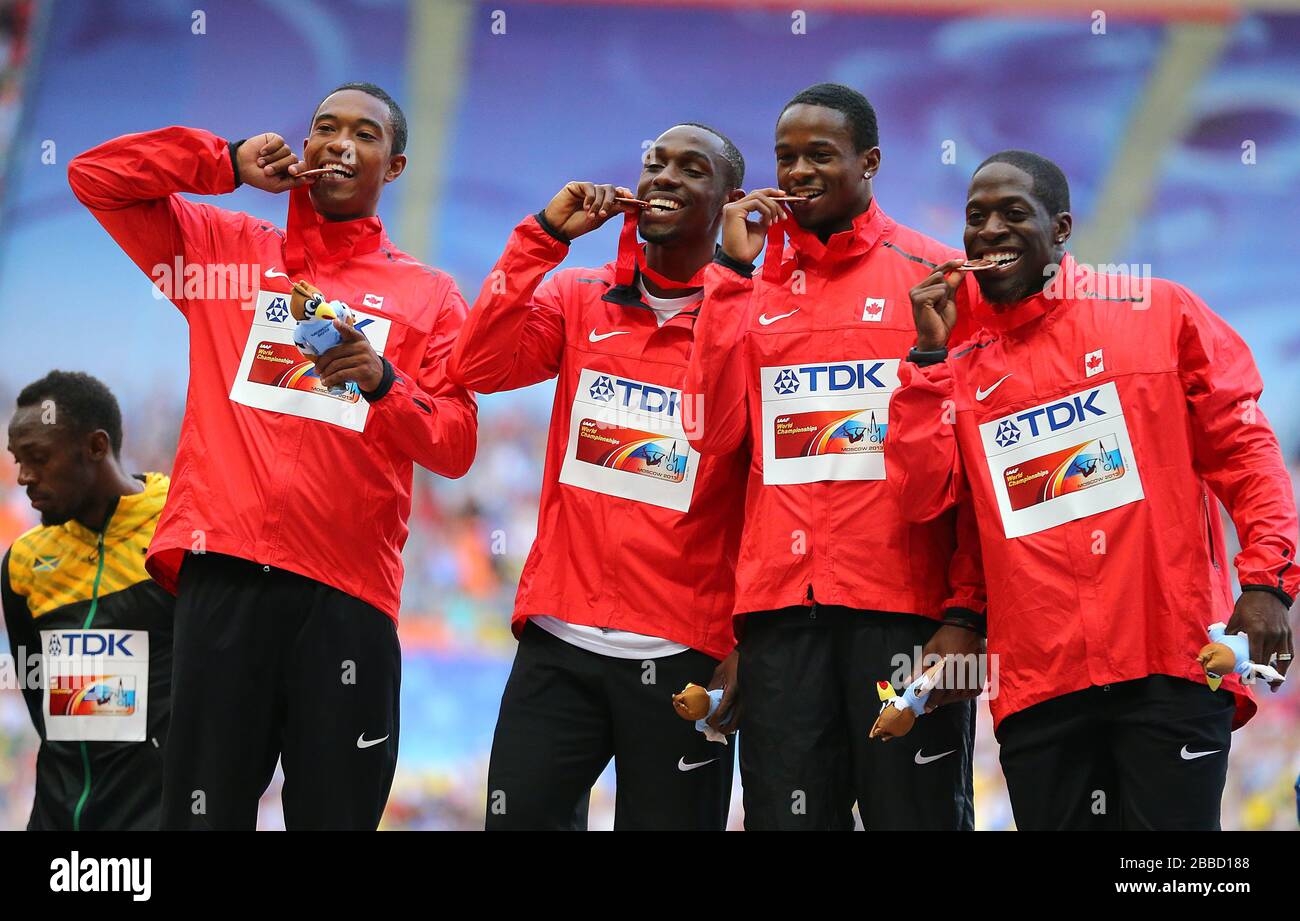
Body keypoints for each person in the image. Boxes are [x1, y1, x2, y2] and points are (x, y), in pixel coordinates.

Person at [67, 83, 478, 830]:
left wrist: (385, 383)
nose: (340, 142)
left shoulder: (431, 297)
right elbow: (94, 178)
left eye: (365, 132)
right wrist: (220, 159)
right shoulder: (221, 252)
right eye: (325, 126)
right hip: (222, 580)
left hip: (346, 600)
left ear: (395, 166)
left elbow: (454, 443)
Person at [888, 149, 1298, 830]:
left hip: (1169, 661)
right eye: (976, 218)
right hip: (1039, 685)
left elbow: (1245, 450)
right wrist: (927, 360)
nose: (989, 229)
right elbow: (928, 503)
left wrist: (1267, 583)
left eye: (1013, 213)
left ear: (1063, 228)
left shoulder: (1159, 311)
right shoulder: (953, 365)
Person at [684, 83, 986, 830]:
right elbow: (711, 432)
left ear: (871, 161)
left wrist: (966, 613)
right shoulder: (745, 288)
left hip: (906, 618)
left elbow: (978, 470)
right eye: (785, 157)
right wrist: (726, 271)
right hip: (783, 622)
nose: (798, 172)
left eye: (821, 154)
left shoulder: (939, 274)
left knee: (915, 818)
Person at [447, 124, 750, 830]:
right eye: (654, 164)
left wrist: (750, 640)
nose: (664, 177)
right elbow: (477, 367)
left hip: (686, 654)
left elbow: (753, 472)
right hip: (560, 642)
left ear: (730, 199)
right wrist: (543, 236)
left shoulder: (757, 316)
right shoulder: (580, 294)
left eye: (690, 168)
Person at [3, 371, 173, 830]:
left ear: (97, 447)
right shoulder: (23, 562)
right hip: (59, 825)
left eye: (38, 458)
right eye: (18, 460)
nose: (24, 477)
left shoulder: (178, 532)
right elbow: (39, 695)